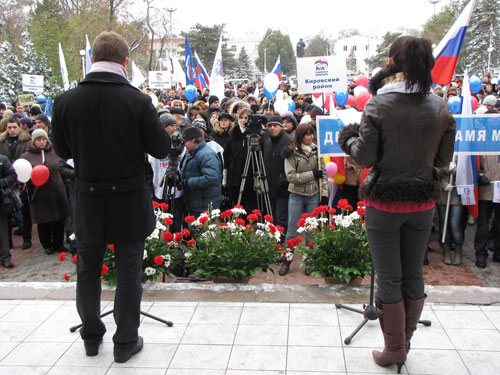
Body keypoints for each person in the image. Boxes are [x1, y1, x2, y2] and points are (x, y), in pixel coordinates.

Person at [51, 31, 171, 363]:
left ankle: (91, 337)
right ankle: (125, 341)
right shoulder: (137, 100)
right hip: (129, 200)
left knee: (87, 270)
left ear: (92, 59)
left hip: (89, 197)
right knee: (129, 271)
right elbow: (161, 148)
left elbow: (62, 150)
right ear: (124, 61)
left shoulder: (65, 101)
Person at [338, 36, 455, 372]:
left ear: (392, 63)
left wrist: (347, 138)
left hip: (385, 203)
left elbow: (366, 156)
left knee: (389, 278)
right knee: (413, 274)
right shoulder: (441, 107)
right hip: (422, 203)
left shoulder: (378, 104)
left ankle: (395, 349)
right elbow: (443, 160)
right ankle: (405, 340)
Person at [21, 129, 70, 255]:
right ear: (34, 141)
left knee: (59, 218)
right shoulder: (27, 156)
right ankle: (47, 245)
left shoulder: (54, 152)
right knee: (44, 221)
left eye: (43, 139)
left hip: (57, 190)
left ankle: (59, 244)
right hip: (39, 193)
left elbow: (62, 167)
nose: (41, 142)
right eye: (38, 140)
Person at [283, 123, 328, 242]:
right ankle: (287, 255)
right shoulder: (291, 152)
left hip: (313, 194)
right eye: (307, 134)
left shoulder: (317, 150)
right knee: (293, 229)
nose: (311, 137)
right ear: (301, 136)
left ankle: (312, 258)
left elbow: (323, 175)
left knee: (312, 230)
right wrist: (312, 174)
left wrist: (324, 195)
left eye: (312, 134)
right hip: (296, 194)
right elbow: (291, 177)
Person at [263, 115, 293, 274]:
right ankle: (276, 245)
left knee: (281, 219)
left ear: (281, 126)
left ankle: (281, 249)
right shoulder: (267, 142)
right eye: (269, 126)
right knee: (274, 219)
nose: (272, 128)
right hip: (270, 187)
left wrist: (285, 178)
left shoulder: (288, 141)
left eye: (275, 125)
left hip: (284, 188)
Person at [178, 126, 222, 217]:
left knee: (203, 230)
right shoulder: (191, 152)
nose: (184, 144)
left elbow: (210, 178)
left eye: (185, 141)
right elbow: (186, 171)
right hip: (196, 201)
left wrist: (187, 183)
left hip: (205, 204)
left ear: (193, 140)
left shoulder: (207, 155)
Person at [473, 155, 500, 268]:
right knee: (483, 224)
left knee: (499, 225)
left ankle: (498, 252)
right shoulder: (486, 145)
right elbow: (475, 165)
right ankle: (480, 253)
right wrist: (480, 175)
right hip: (486, 190)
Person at [0, 154, 17, 268]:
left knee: (2, 230)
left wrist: (1, 183)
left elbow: (12, 175)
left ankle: (5, 257)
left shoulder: (2, 159)